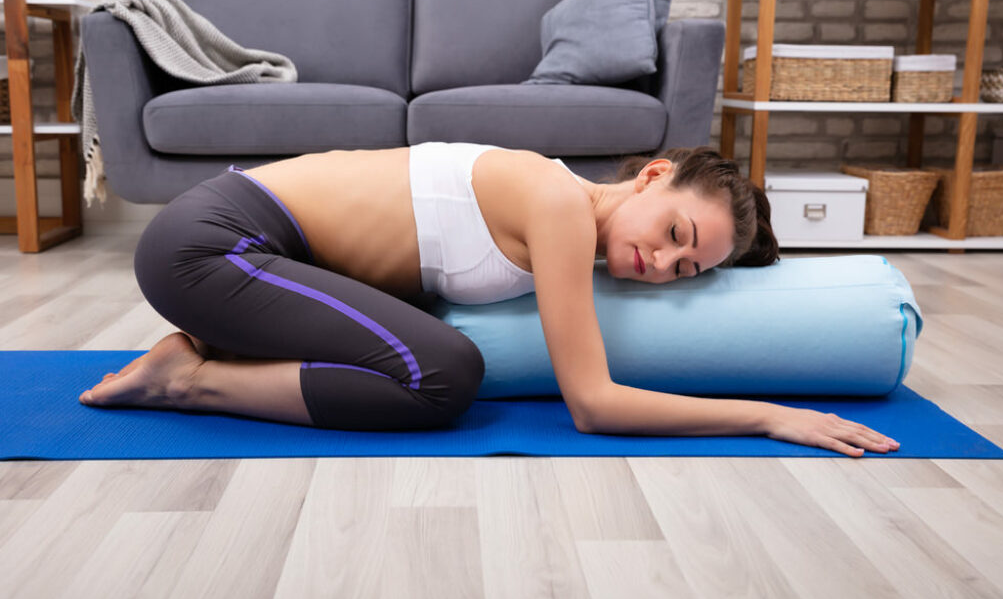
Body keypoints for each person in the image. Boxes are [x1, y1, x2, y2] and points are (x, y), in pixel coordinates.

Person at [80, 143, 899, 457]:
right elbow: (594, 404)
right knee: (444, 373)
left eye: (687, 271)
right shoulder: (557, 206)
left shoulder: (565, 212)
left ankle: (199, 359)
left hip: (244, 252)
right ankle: (187, 380)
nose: (663, 262)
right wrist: (767, 415)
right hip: (210, 244)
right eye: (678, 231)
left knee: (434, 361)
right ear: (653, 174)